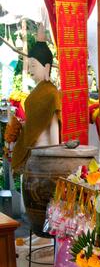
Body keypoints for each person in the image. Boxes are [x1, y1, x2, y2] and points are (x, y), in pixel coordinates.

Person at [11, 25, 61, 172]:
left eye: (33, 65)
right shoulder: (35, 92)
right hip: (32, 153)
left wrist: (55, 155)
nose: (31, 69)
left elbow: (53, 125)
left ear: (46, 67)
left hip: (45, 152)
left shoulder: (51, 93)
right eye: (29, 65)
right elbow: (34, 122)